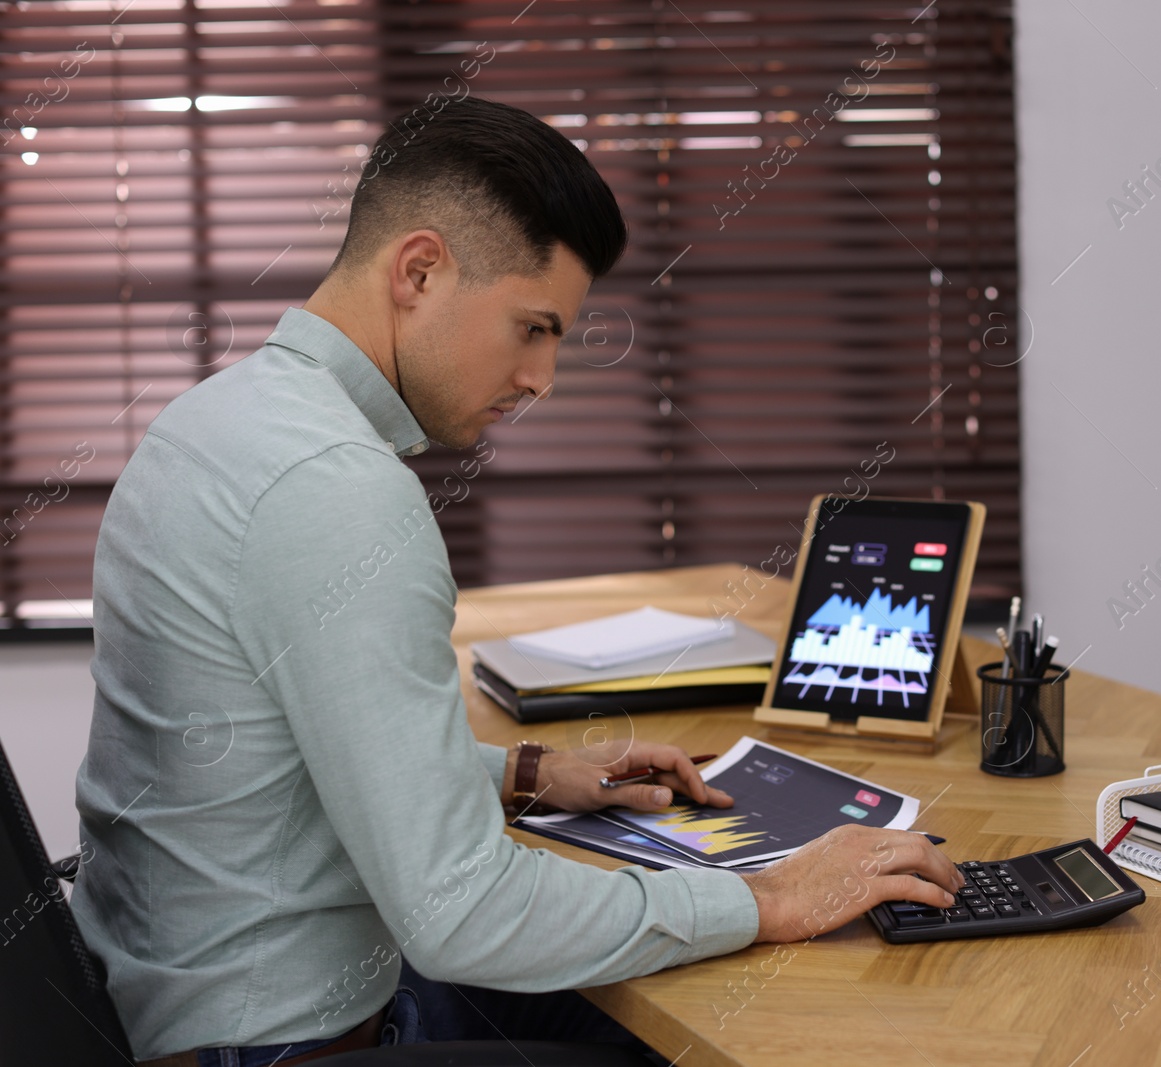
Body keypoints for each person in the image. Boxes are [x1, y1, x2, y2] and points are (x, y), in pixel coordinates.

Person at [72, 97, 963, 1066]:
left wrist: (519, 773)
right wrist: (774, 893)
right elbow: (464, 913)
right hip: (280, 1038)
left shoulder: (217, 420)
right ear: (419, 270)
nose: (541, 376)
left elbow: (268, 744)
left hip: (177, 994)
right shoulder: (335, 489)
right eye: (532, 327)